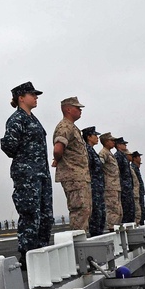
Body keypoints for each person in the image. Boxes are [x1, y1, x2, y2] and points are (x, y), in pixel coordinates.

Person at [0, 81, 53, 264]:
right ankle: (28, 254)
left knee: (46, 215)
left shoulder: (33, 120)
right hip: (27, 175)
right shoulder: (17, 120)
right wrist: (26, 162)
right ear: (21, 98)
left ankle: (41, 250)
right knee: (30, 213)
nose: (36, 97)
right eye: (32, 94)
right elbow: (9, 147)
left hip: (41, 174)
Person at [52, 97, 91, 232]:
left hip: (79, 176)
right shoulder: (64, 127)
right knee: (79, 210)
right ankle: (78, 245)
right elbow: (58, 149)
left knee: (85, 210)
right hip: (73, 176)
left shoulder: (72, 127)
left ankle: (82, 240)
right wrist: (57, 159)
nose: (80, 110)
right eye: (77, 108)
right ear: (68, 109)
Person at [83, 126, 105, 236]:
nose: (97, 137)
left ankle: (99, 235)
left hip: (98, 187)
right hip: (93, 187)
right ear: (88, 137)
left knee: (101, 214)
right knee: (95, 214)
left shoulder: (92, 150)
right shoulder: (86, 150)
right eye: (95, 135)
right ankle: (96, 236)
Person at [99, 133, 122, 228]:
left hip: (115, 186)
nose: (114, 142)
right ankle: (113, 229)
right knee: (113, 210)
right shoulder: (103, 153)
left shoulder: (109, 153)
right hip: (110, 186)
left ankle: (117, 229)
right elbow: (99, 167)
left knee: (118, 210)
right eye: (111, 140)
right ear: (106, 141)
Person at [113, 137, 135, 223]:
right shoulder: (118, 156)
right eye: (123, 144)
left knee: (130, 209)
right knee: (126, 209)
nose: (125, 145)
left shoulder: (123, 156)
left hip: (128, 187)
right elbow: (118, 172)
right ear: (118, 145)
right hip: (124, 187)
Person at [129, 150, 145, 222]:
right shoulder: (132, 168)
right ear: (134, 158)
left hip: (139, 192)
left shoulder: (136, 168)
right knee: (138, 210)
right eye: (138, 156)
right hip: (136, 192)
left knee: (141, 209)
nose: (140, 158)